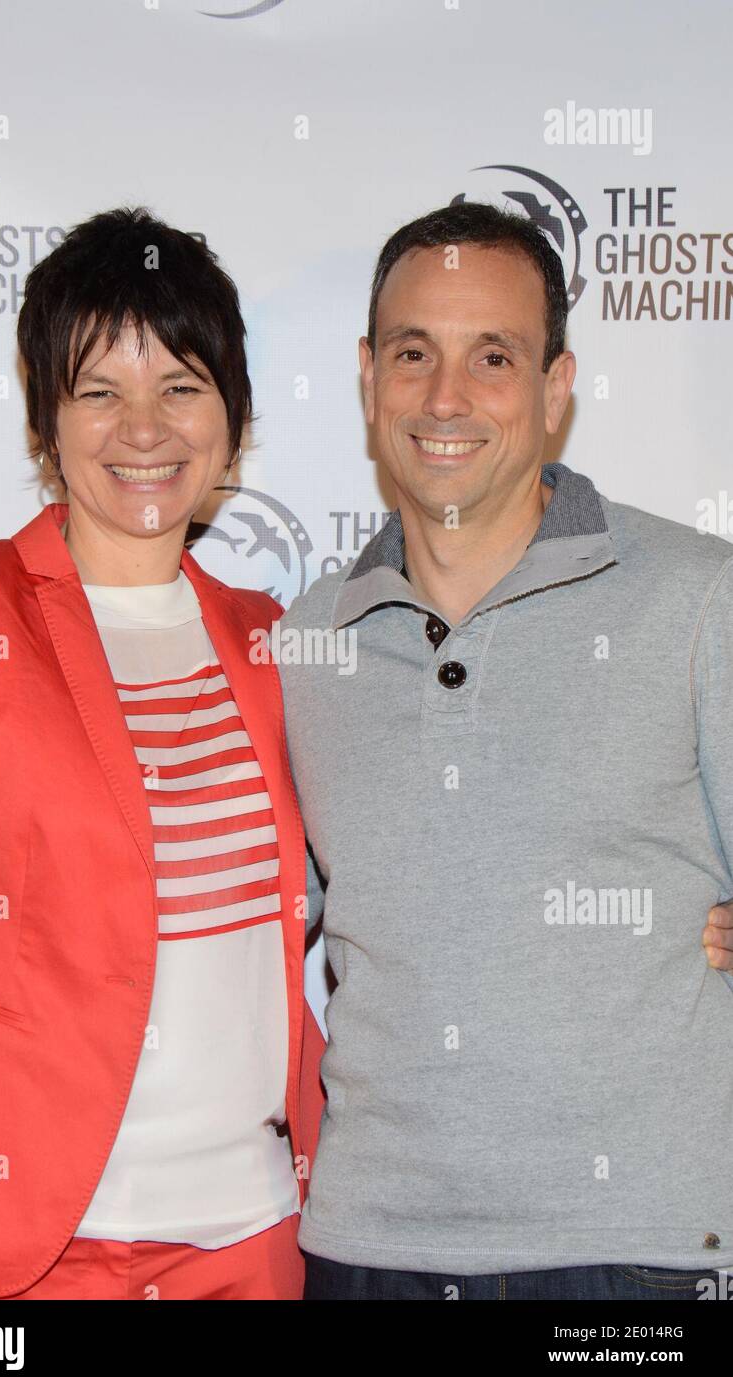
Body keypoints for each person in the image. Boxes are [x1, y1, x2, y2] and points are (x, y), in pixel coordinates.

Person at [276, 201, 733, 1300]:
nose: (445, 398)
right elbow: (237, 920)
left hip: (639, 1253)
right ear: (365, 374)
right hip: (367, 1248)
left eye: (493, 355)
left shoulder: (698, 596)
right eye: (412, 353)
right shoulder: (300, 643)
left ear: (554, 385)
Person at [0, 207, 325, 1301]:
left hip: (253, 1235)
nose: (144, 429)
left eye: (180, 386)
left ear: (233, 415)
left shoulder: (275, 638)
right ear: (44, 421)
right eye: (97, 391)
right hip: (21, 1251)